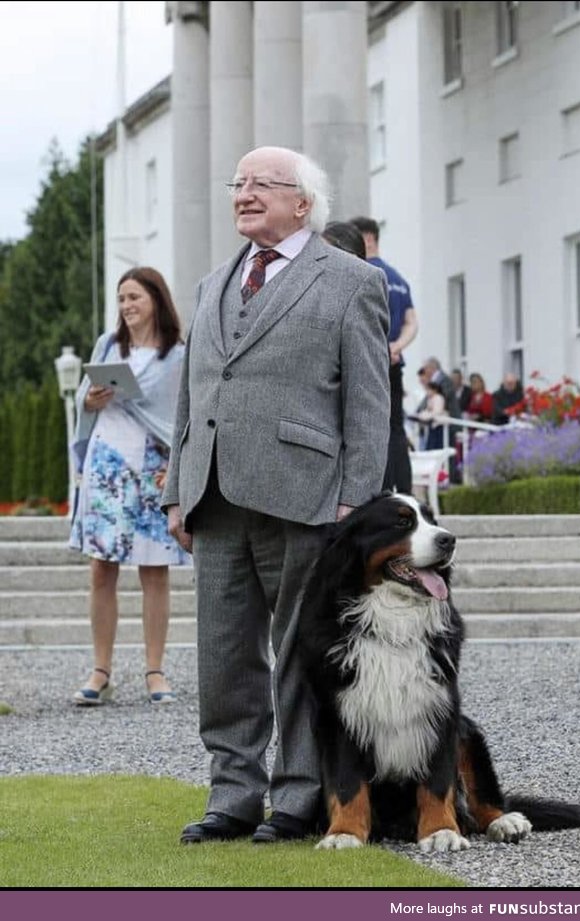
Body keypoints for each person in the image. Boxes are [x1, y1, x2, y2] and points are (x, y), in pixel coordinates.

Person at [163, 146, 390, 845]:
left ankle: (298, 794)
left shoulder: (351, 280)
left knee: (298, 652)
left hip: (308, 494)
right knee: (224, 655)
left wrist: (357, 499)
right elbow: (193, 392)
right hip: (215, 493)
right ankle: (232, 793)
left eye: (262, 183)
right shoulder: (211, 284)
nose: (244, 193)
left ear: (304, 201)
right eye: (238, 183)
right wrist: (177, 487)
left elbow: (368, 402)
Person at [70, 267, 189, 706]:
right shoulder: (107, 344)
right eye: (121, 298)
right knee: (102, 567)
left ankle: (155, 671)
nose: (126, 306)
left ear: (156, 299)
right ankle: (100, 670)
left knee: (154, 569)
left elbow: (183, 414)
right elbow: (84, 398)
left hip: (154, 464)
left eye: (134, 297)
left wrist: (179, 467)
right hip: (108, 462)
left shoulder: (177, 354)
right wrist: (90, 399)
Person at [351, 215, 417, 494]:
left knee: (373, 428)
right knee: (396, 428)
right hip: (394, 362)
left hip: (371, 363)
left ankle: (382, 490)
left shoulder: (363, 274)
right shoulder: (399, 279)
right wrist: (397, 346)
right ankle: (404, 489)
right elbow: (412, 322)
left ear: (366, 239)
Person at [415, 380, 447, 450]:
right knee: (430, 445)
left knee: (436, 446)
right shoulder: (430, 399)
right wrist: (422, 415)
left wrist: (425, 415)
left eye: (428, 389)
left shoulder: (439, 398)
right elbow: (428, 410)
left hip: (438, 425)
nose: (427, 391)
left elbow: (437, 412)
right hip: (432, 425)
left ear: (434, 390)